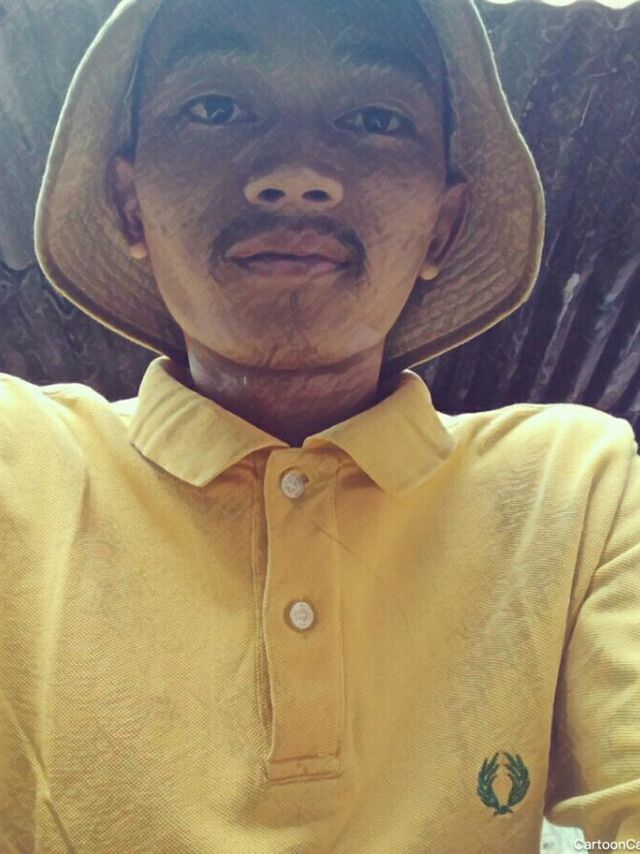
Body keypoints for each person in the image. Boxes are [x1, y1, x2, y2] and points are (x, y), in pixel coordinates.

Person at [1, 0, 638, 850]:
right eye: (216, 108)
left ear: (443, 226)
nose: (296, 174)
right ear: (129, 205)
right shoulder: (18, 461)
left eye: (374, 119)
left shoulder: (576, 486)